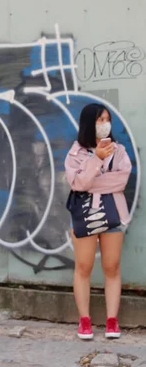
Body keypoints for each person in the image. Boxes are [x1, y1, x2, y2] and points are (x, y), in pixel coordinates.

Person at [65, 103, 132, 340]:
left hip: (114, 214)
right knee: (83, 267)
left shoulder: (120, 151)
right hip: (84, 215)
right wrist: (96, 160)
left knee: (111, 267)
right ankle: (84, 321)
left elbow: (121, 181)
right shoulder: (75, 154)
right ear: (88, 123)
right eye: (99, 119)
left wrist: (90, 181)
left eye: (107, 119)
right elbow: (78, 184)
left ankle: (111, 320)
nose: (105, 124)